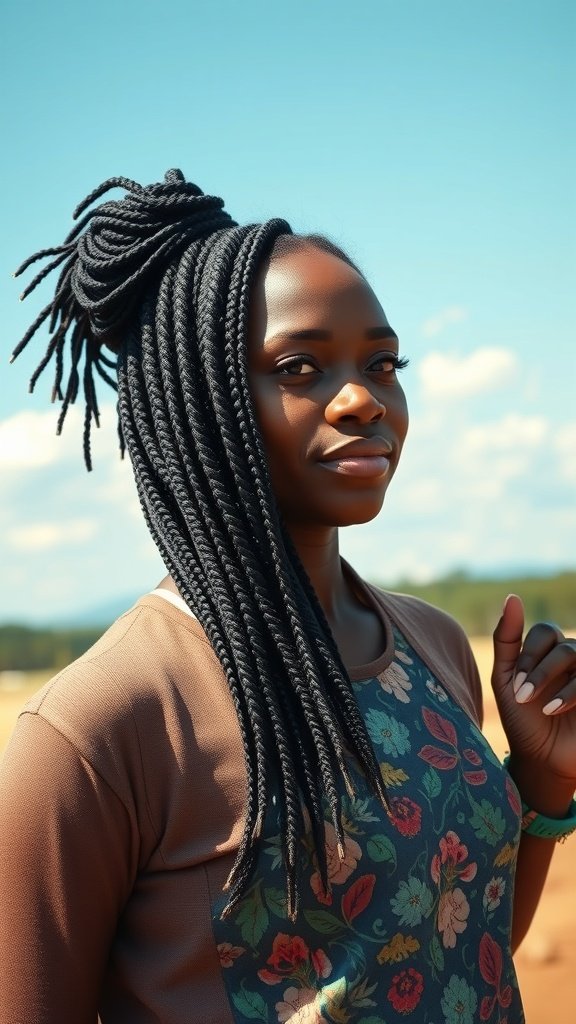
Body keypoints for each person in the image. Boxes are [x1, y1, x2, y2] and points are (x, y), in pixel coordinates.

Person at [1, 169, 575, 1024]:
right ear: (200, 401)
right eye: (301, 366)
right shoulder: (97, 731)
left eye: (383, 363)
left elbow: (459, 948)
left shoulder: (434, 646)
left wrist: (542, 785)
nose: (363, 399)